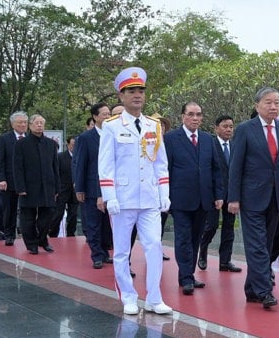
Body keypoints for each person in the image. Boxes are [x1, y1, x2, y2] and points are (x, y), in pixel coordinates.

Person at [99, 67, 172, 315]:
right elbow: (106, 164)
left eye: (140, 90)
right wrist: (109, 197)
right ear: (121, 96)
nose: (137, 95)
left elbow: (160, 163)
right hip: (124, 198)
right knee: (121, 251)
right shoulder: (111, 126)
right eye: (131, 91)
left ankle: (154, 296)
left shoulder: (154, 125)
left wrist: (165, 193)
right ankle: (128, 296)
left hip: (150, 198)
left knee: (153, 246)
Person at [226, 87, 279, 309]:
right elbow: (235, 165)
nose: (273, 106)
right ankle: (265, 291)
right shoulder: (246, 129)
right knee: (256, 245)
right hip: (251, 197)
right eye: (268, 102)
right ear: (257, 105)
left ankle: (252, 290)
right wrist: (233, 198)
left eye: (277, 102)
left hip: (276, 198)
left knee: (265, 245)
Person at [164, 101, 224, 295]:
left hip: (204, 198)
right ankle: (186, 277)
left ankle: (188, 273)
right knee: (183, 237)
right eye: (191, 114)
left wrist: (218, 195)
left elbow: (216, 169)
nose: (195, 118)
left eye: (198, 115)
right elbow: (165, 169)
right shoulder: (171, 138)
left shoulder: (208, 139)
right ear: (183, 116)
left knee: (196, 238)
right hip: (180, 198)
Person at [199, 115, 241, 273]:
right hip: (214, 193)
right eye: (225, 126)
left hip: (231, 194)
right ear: (216, 128)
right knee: (212, 225)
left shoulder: (236, 145)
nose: (229, 129)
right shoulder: (210, 144)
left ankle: (225, 260)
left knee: (229, 227)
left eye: (231, 126)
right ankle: (202, 251)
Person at [13, 114, 59, 254]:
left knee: (48, 215)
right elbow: (17, 167)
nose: (39, 125)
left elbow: (55, 167)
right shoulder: (21, 144)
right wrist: (20, 187)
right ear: (30, 125)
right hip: (29, 186)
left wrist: (57, 187)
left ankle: (42, 239)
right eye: (36, 123)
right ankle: (31, 244)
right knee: (28, 217)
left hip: (48, 186)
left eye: (41, 123)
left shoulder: (51, 144)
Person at [75, 103, 113, 268]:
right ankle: (96, 255)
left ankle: (105, 252)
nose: (107, 116)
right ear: (95, 117)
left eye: (109, 113)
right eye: (104, 114)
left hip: (111, 188)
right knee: (93, 224)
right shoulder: (85, 138)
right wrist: (79, 188)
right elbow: (80, 164)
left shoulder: (114, 135)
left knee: (107, 224)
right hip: (91, 187)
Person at [0, 111, 29, 246]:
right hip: (9, 181)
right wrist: (1, 179)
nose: (22, 125)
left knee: (28, 210)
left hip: (27, 182)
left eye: (25, 122)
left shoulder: (30, 138)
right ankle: (9, 235)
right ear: (12, 124)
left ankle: (28, 235)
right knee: (9, 209)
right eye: (19, 122)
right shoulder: (5, 139)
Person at [50, 136, 77, 237]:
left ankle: (71, 233)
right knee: (58, 214)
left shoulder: (79, 157)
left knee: (73, 214)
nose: (74, 147)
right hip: (62, 190)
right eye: (72, 145)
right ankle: (53, 233)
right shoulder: (60, 157)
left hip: (75, 191)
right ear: (68, 145)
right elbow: (55, 173)